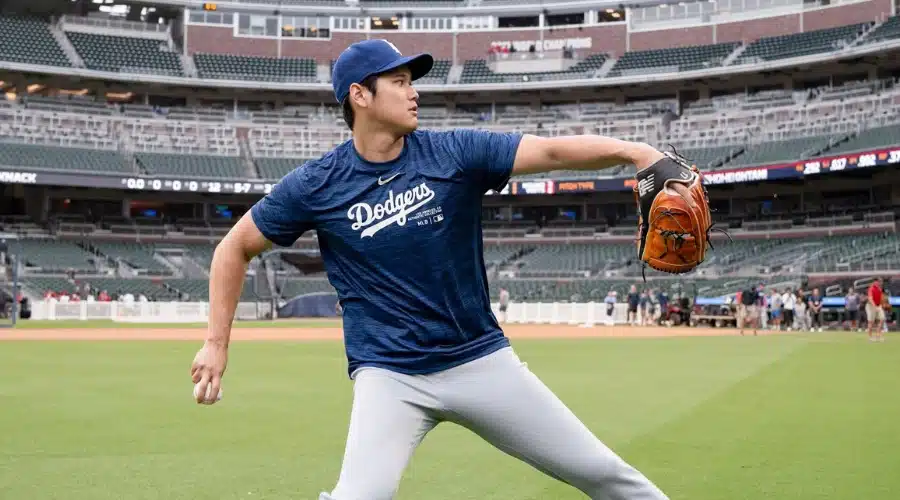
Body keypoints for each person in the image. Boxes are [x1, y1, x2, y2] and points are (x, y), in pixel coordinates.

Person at [189, 39, 670, 500]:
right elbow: (233, 249)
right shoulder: (316, 184)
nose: (413, 91)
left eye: (411, 81)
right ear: (359, 95)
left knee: (601, 471)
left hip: (479, 359)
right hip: (390, 373)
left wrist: (638, 153)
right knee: (362, 495)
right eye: (398, 81)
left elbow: (548, 152)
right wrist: (216, 343)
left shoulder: (453, 153)